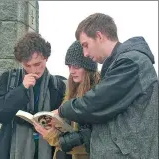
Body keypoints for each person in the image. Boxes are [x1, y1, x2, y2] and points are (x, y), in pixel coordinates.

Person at [52, 13, 158, 159]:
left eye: (85, 45)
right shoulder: (119, 65)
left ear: (99, 36)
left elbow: (96, 103)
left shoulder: (131, 62)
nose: (85, 53)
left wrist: (61, 111)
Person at [0, 32, 71, 159]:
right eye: (27, 65)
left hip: (47, 148)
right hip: (11, 149)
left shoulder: (59, 85)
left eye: (37, 64)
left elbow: (66, 123)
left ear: (46, 58)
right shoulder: (9, 79)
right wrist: (22, 89)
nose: (33, 70)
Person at [33, 40, 100, 159]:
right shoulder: (72, 90)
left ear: (88, 66)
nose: (71, 71)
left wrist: (53, 137)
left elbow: (94, 142)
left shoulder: (98, 93)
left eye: (76, 66)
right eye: (69, 66)